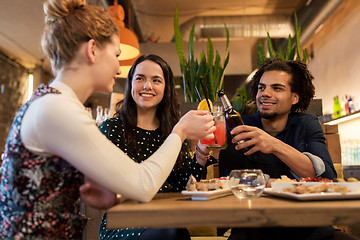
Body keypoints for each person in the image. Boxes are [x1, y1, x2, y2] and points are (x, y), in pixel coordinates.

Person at [0, 0, 215, 239]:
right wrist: (180, 132)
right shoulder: (56, 108)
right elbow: (143, 185)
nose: (118, 65)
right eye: (116, 54)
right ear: (92, 50)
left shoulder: (56, 104)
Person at [207, 57, 345, 239]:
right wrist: (295, 183)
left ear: (295, 97)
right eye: (261, 88)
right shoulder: (239, 125)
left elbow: (326, 176)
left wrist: (274, 145)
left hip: (308, 227)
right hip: (254, 229)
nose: (265, 93)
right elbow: (233, 181)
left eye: (277, 88)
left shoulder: (307, 123)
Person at [98, 54, 211, 240]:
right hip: (124, 222)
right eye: (140, 78)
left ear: (166, 88)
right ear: (131, 84)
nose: (147, 86)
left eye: (156, 80)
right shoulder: (112, 128)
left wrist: (202, 152)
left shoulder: (173, 131)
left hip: (165, 218)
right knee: (173, 233)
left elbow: (184, 185)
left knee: (175, 231)